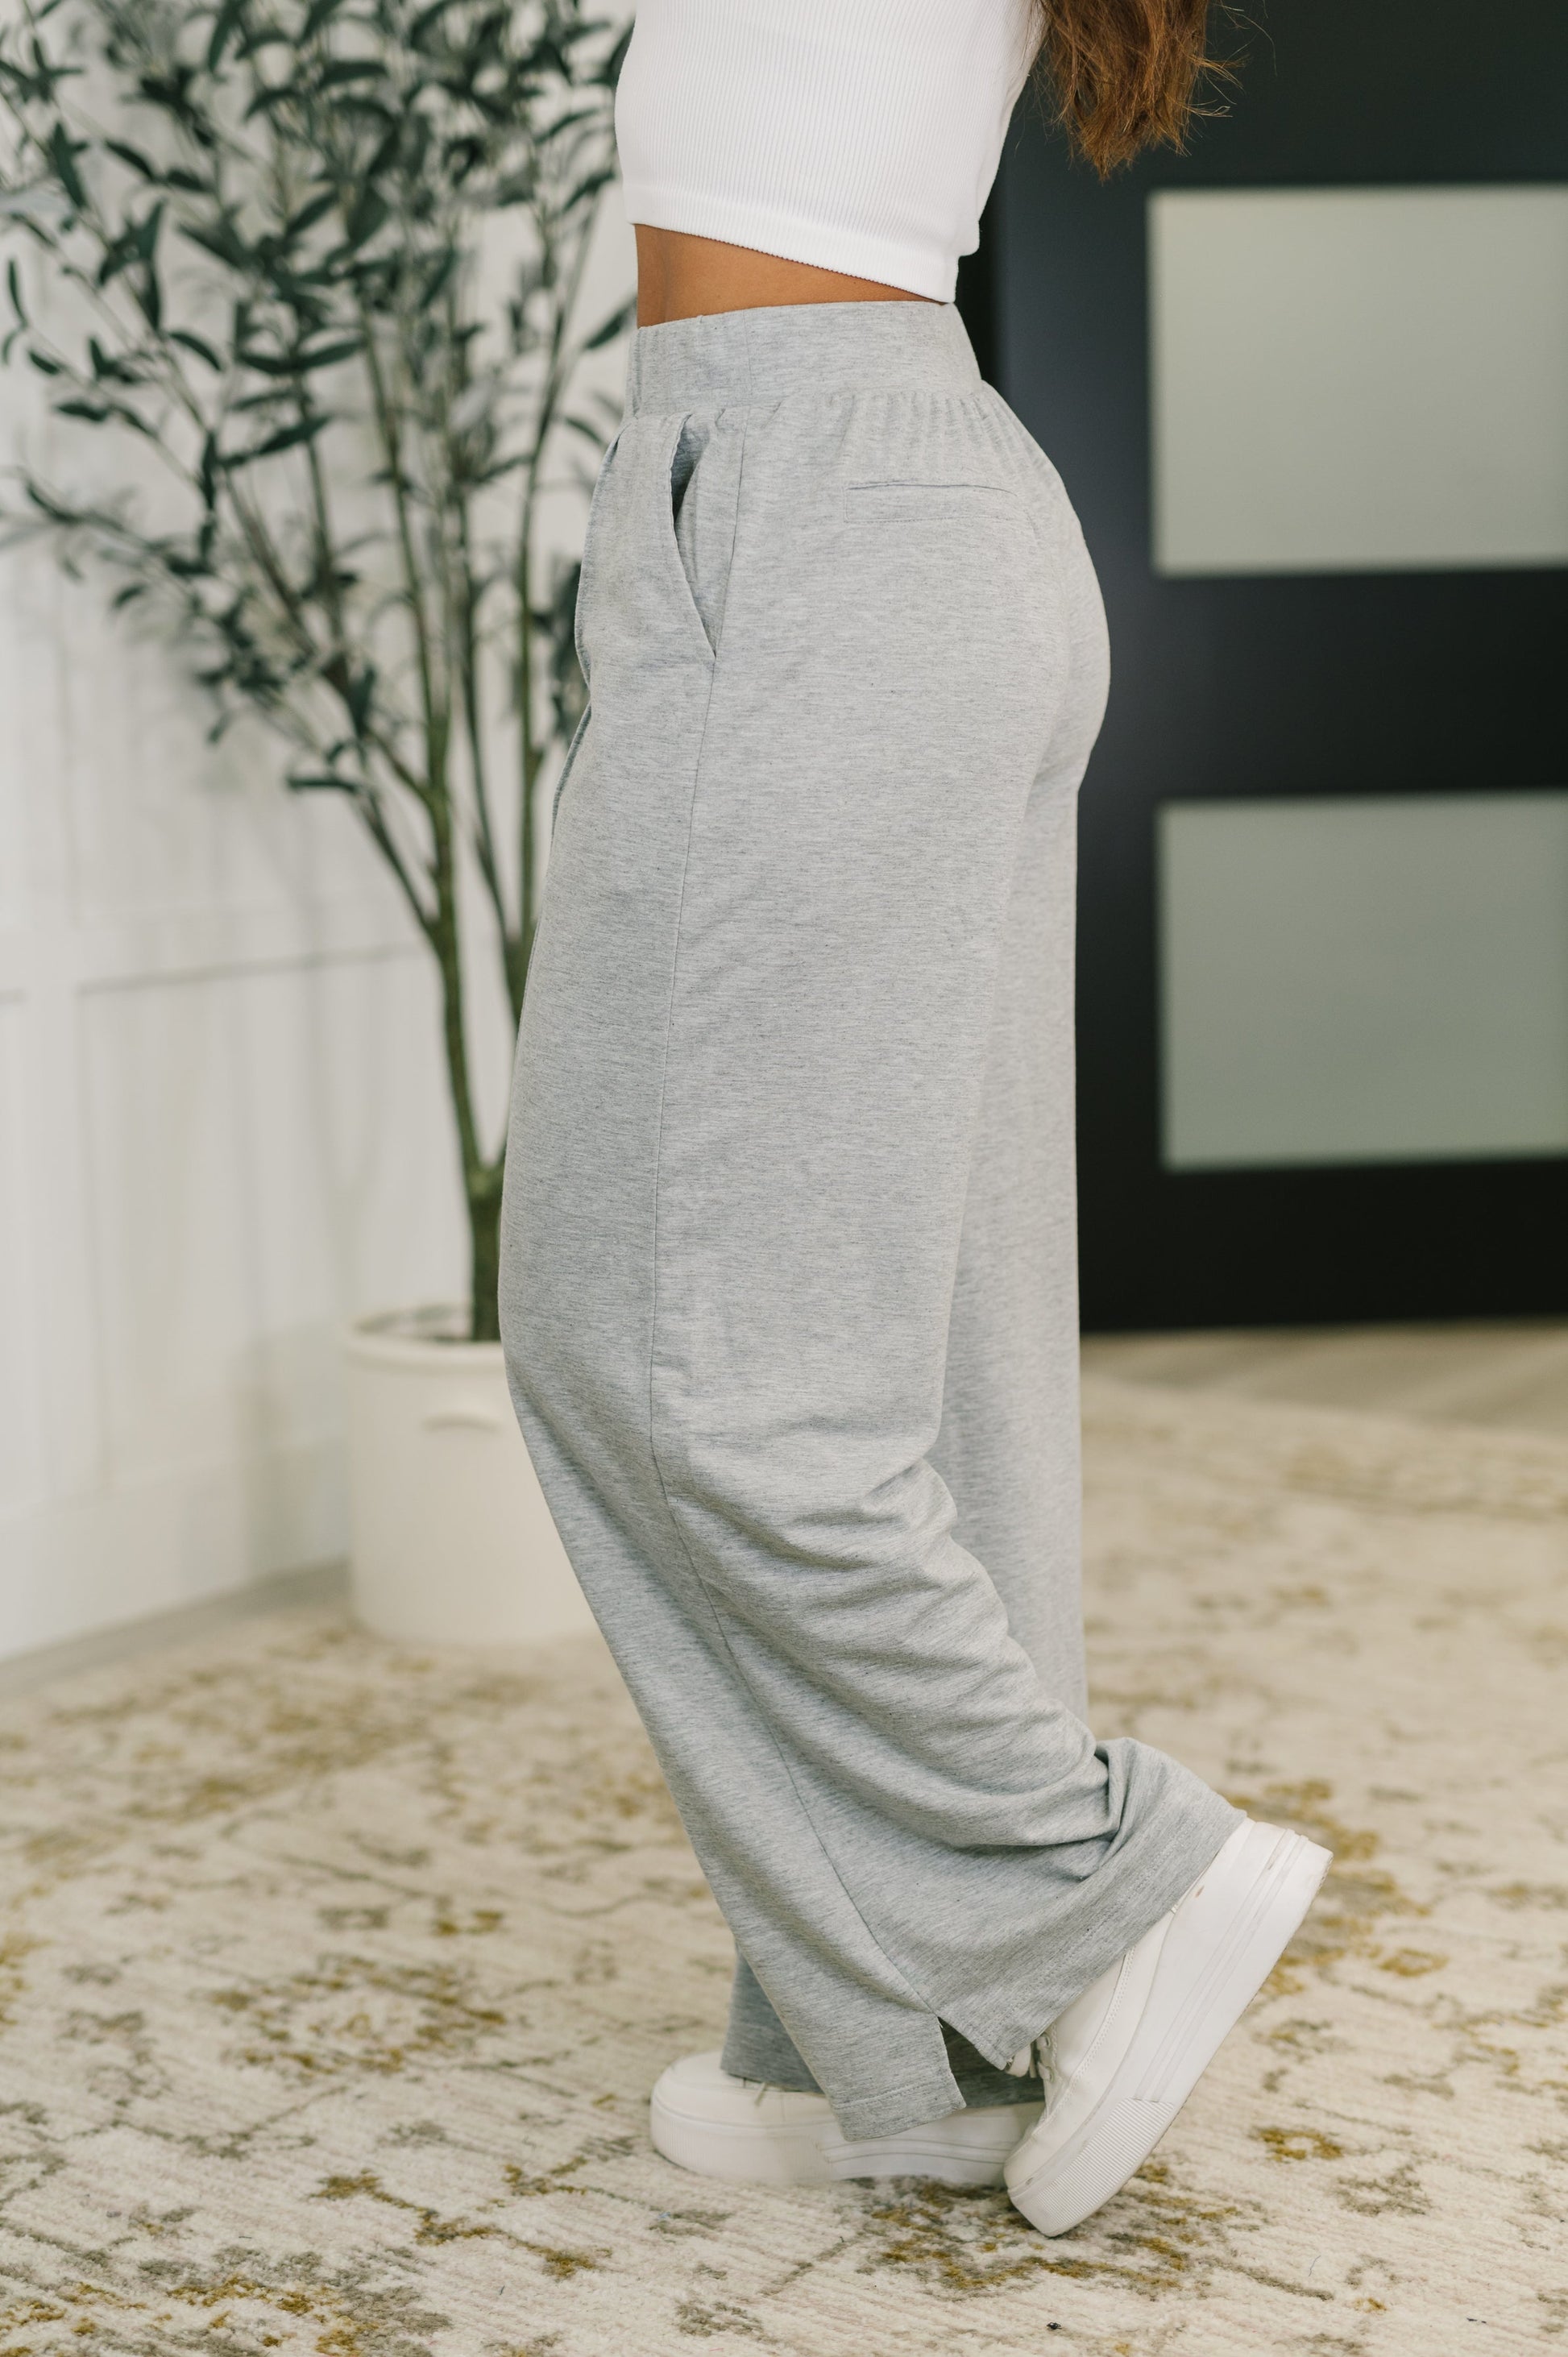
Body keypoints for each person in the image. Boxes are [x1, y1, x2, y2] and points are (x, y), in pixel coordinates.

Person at [499, 0, 1329, 2239]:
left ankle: (1092, 1889)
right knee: (919, 1365)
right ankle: (914, 2042)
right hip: (864, 500)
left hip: (818, 517)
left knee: (663, 1347)